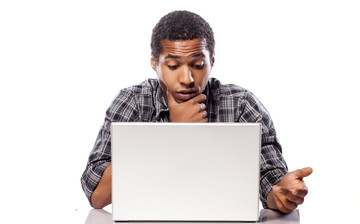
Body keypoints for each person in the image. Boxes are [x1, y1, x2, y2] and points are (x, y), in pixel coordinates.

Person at [81, 10, 313, 213]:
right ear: (154, 63)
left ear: (211, 61)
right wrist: (173, 133)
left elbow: (269, 181)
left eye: (198, 65)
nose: (187, 79)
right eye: (173, 66)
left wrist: (281, 194)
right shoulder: (132, 101)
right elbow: (97, 195)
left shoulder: (241, 103)